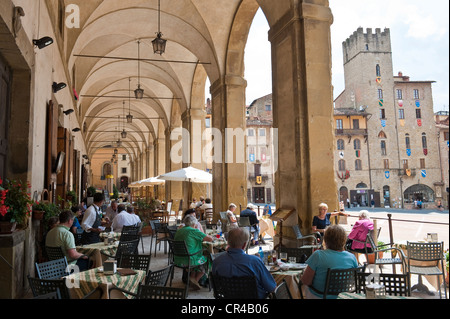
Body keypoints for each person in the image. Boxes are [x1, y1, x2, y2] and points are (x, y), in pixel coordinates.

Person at [212, 227, 276, 299]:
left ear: (228, 242)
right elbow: (271, 287)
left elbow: (217, 286)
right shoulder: (255, 262)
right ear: (244, 244)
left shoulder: (217, 262)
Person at [301, 225, 358, 299]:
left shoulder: (318, 255)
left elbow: (306, 281)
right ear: (344, 240)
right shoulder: (352, 257)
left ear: (326, 239)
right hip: (342, 296)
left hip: (320, 296)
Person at [174, 215, 213, 289]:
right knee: (208, 258)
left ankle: (192, 277)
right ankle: (196, 279)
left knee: (198, 256)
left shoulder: (179, 230)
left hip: (178, 259)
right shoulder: (194, 231)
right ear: (194, 224)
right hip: (189, 259)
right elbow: (209, 239)